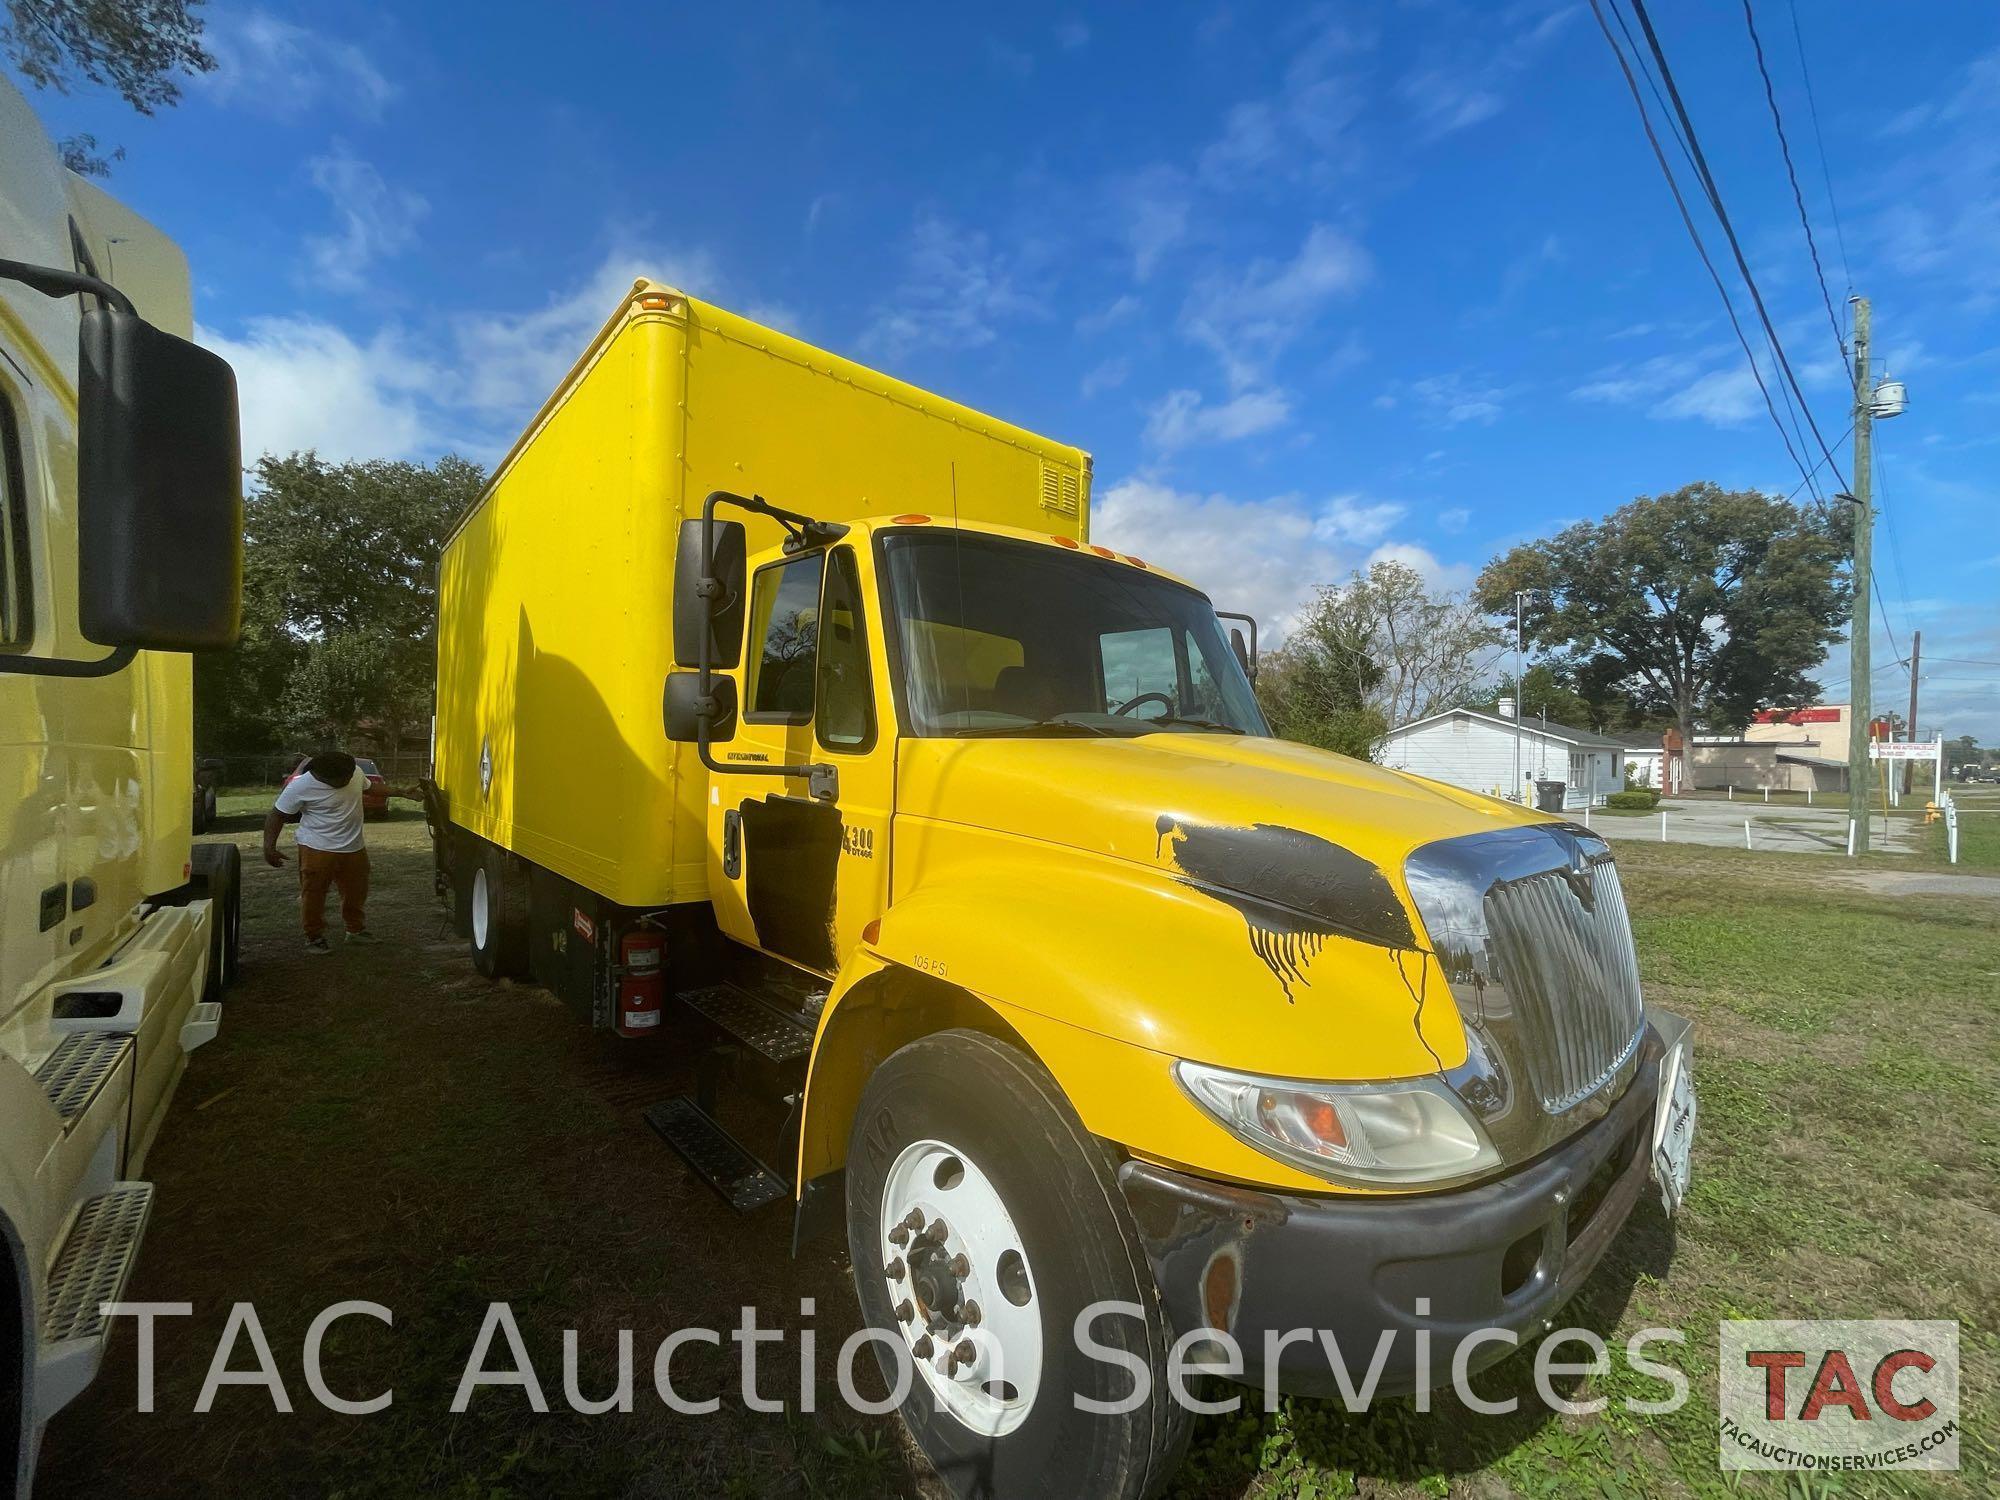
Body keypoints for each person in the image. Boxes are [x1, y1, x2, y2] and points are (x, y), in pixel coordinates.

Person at [262, 750, 394, 953]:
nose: (347, 780)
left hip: (353, 847)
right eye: (341, 779)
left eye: (349, 776)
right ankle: (314, 937)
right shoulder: (300, 786)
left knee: (356, 891)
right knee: (314, 893)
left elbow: (371, 788)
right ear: (321, 775)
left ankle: (355, 931)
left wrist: (402, 793)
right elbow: (277, 815)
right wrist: (269, 847)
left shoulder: (354, 772)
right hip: (317, 848)